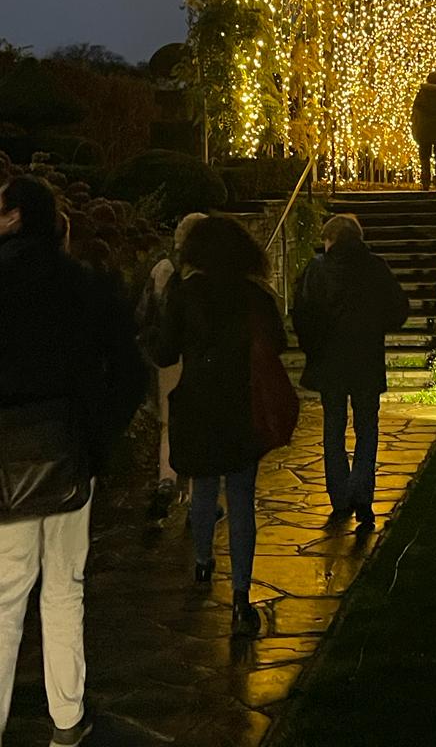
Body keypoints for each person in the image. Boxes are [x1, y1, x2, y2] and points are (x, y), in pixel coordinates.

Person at [0, 175, 147, 747]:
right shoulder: (84, 286)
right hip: (68, 454)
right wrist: (95, 439)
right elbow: (129, 373)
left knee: (5, 596)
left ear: (13, 217)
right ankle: (67, 718)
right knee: (64, 587)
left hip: (5, 456)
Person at [148, 216, 287, 637]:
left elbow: (165, 352)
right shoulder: (254, 296)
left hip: (199, 403)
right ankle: (241, 593)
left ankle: (204, 561)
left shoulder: (186, 294)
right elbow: (279, 343)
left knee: (204, 485)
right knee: (242, 496)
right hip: (243, 404)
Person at [293, 214, 409, 530]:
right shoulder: (375, 267)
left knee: (333, 428)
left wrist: (312, 346)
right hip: (365, 359)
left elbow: (302, 314)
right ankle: (362, 493)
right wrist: (374, 326)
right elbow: (399, 309)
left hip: (330, 360)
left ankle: (340, 497)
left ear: (330, 239)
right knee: (367, 428)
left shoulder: (317, 270)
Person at [135, 212, 206, 520]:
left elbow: (144, 313)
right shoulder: (205, 274)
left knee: (169, 422)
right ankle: (194, 495)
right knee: (198, 424)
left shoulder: (163, 268)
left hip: (167, 355)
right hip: (197, 356)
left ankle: (166, 479)